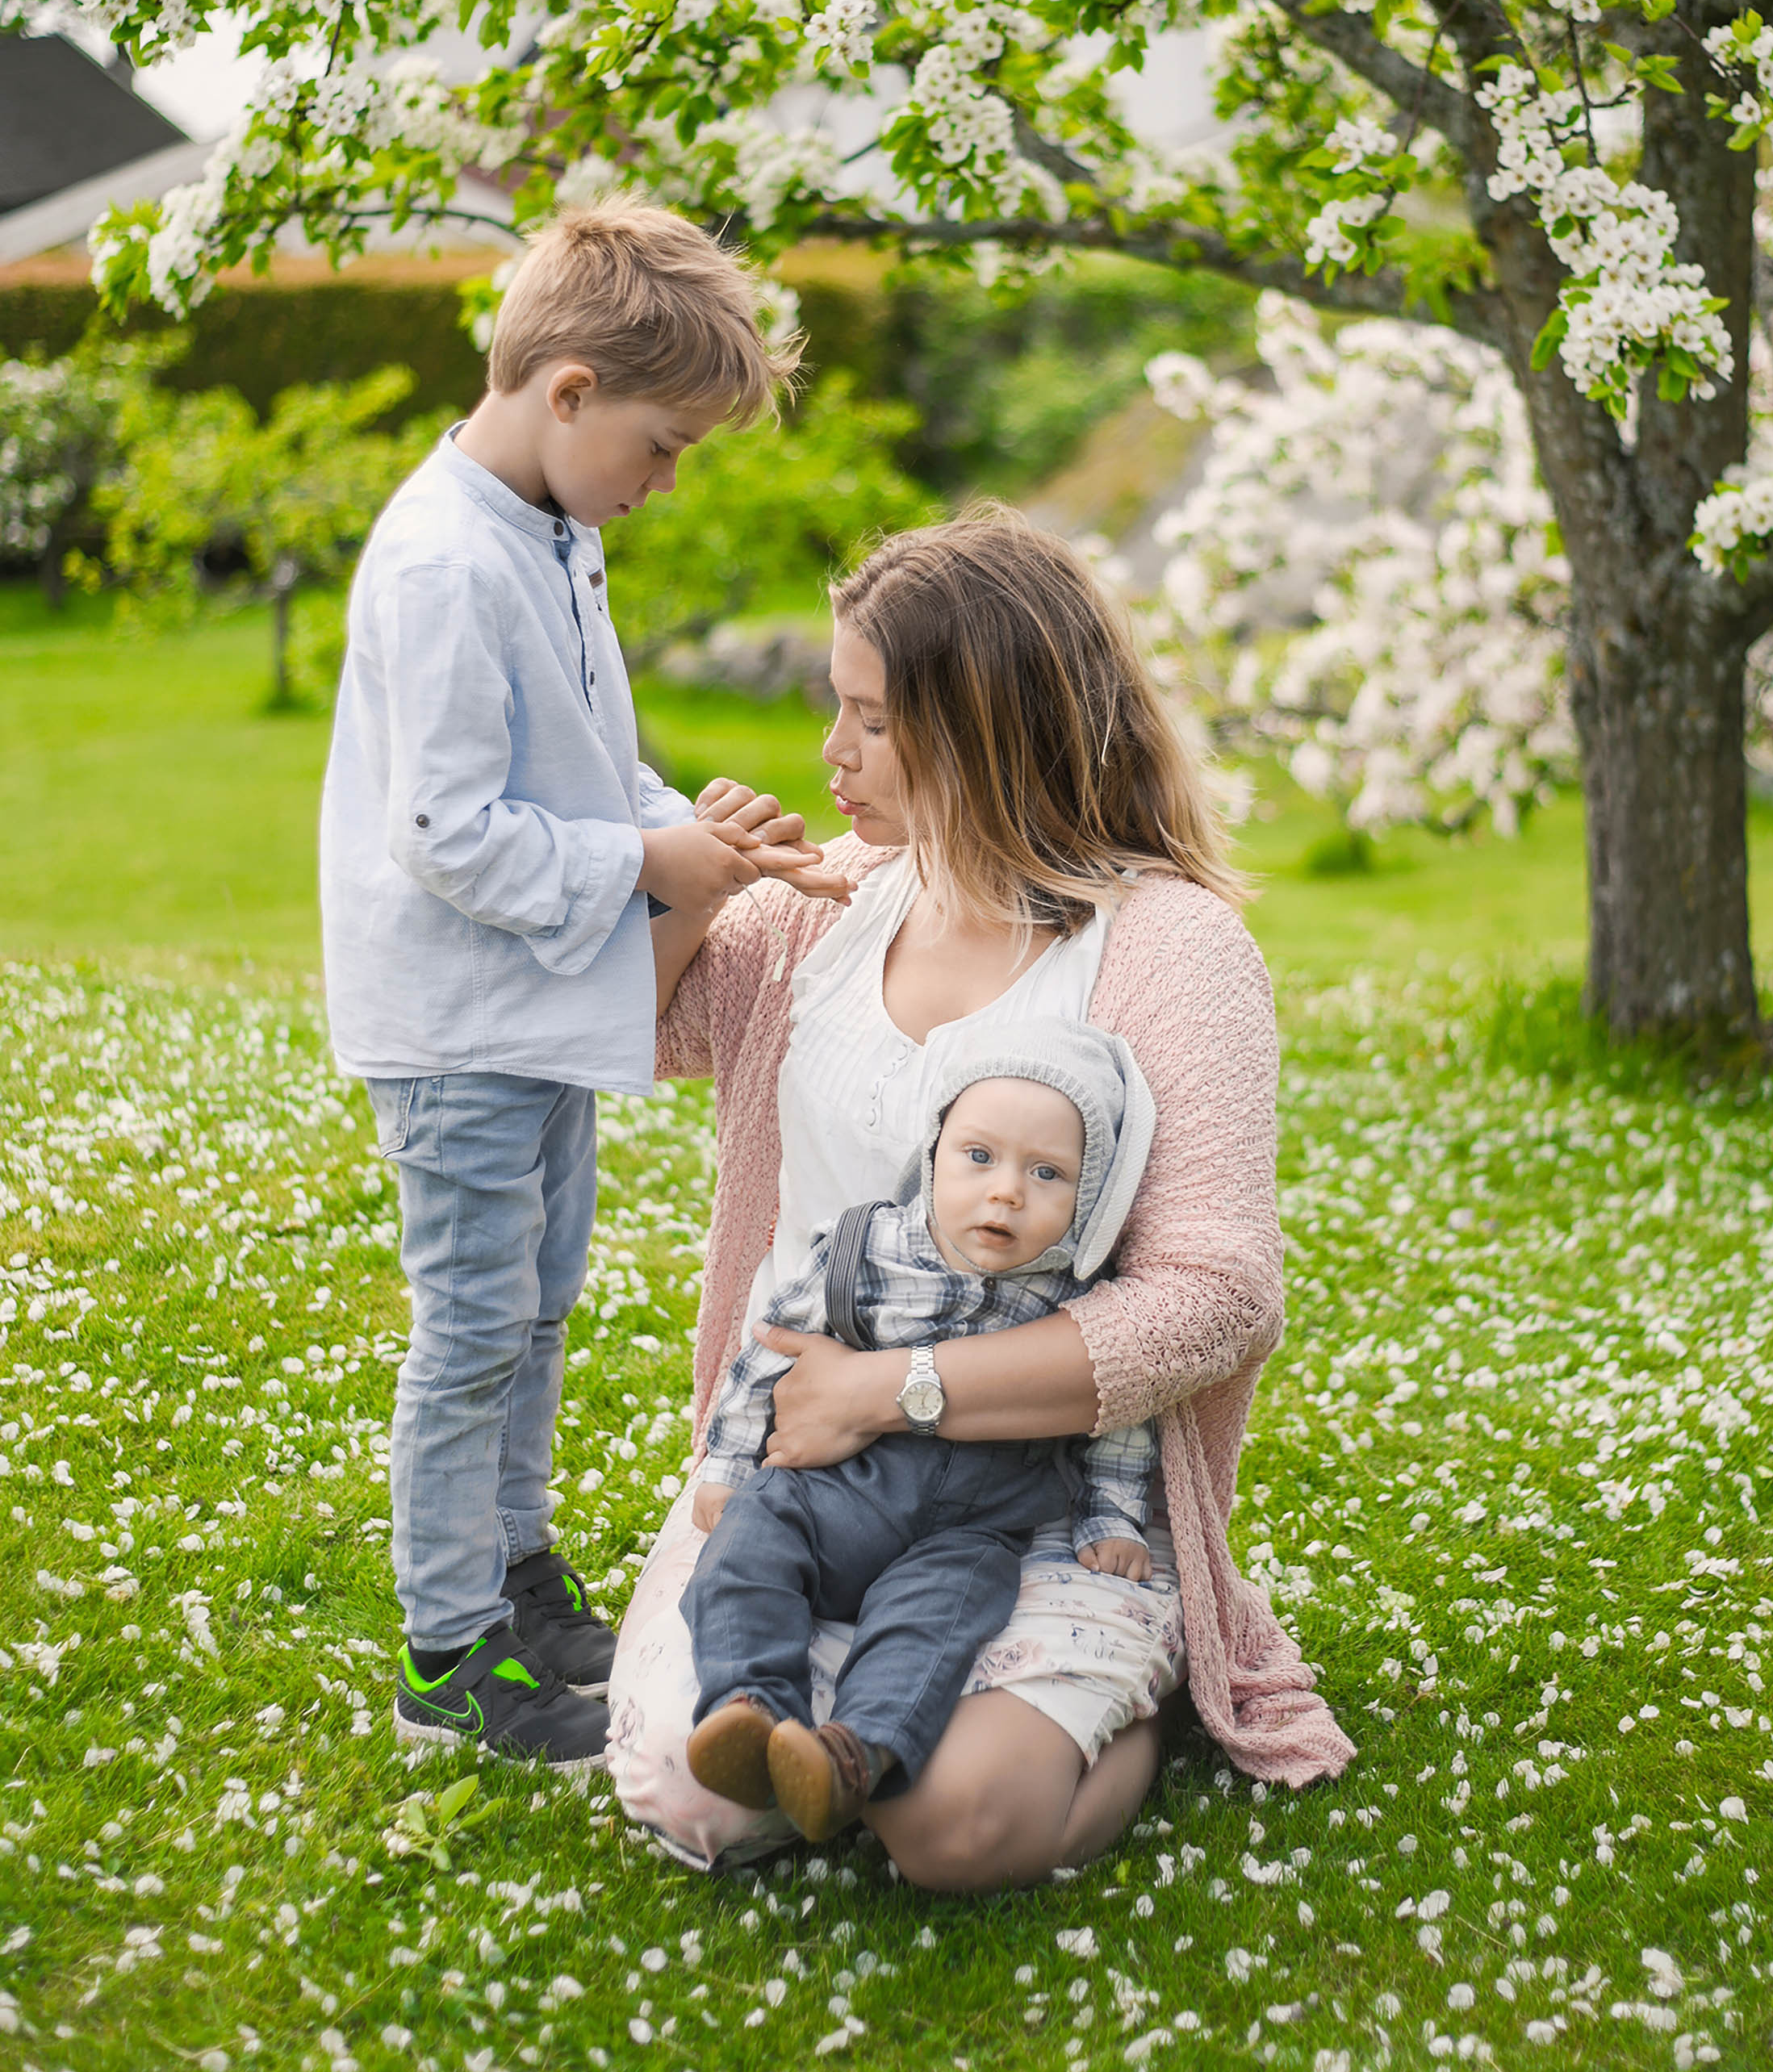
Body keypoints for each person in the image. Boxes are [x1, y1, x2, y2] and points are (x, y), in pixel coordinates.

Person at [608, 508, 1353, 1887]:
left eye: (875, 723)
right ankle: (815, 1717)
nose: (832, 755)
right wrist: (687, 897)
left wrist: (897, 1392)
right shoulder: (819, 906)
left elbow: (1220, 1295)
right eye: (837, 709)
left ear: (995, 726)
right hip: (797, 1479)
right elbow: (641, 1034)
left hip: (1049, 1498)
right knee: (698, 1798)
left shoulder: (1168, 948)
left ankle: (1148, 1674)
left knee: (948, 1827)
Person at [321, 203, 843, 1773]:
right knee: (474, 1320)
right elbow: (444, 834)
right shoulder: (440, 562)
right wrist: (641, 867)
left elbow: (583, 758)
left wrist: (682, 822)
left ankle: (520, 1577)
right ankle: (446, 1649)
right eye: (663, 442)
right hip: (455, 1022)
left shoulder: (554, 530)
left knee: (536, 1306)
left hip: (532, 1015)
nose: (665, 479)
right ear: (564, 390)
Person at [681, 1021, 1159, 1839]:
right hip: (839, 1490)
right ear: (933, 1153)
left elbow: (1119, 1415)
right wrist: (727, 1463)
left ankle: (846, 1755)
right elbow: (769, 1353)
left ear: (1088, 1200)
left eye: (1046, 1173)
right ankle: (748, 1703)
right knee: (751, 1542)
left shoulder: (1081, 1298)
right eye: (979, 1156)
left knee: (937, 1620)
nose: (1005, 1191)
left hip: (973, 1526)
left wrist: (1109, 1519)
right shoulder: (866, 1249)